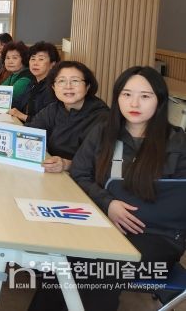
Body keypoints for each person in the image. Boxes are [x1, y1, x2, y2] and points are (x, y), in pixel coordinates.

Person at [29, 67, 186, 311]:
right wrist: (108, 203)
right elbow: (80, 174)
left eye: (145, 96)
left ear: (160, 100)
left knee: (98, 269)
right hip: (103, 226)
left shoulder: (177, 143)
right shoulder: (103, 133)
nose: (134, 103)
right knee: (62, 260)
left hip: (158, 239)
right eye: (126, 94)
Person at [27, 61, 108, 173]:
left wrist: (67, 164)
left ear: (87, 86)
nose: (68, 86)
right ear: (53, 87)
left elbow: (100, 162)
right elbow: (31, 132)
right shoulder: (53, 109)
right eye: (61, 81)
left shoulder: (102, 117)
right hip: (52, 173)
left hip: (81, 178)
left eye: (75, 81)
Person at [9, 41, 59, 123]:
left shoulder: (53, 88)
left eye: (41, 59)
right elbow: (18, 103)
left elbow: (48, 122)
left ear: (52, 64)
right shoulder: (32, 83)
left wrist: (22, 116)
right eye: (32, 59)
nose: (35, 63)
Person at [0, 41, 33, 112]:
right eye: (7, 58)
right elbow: (0, 90)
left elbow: (5, 98)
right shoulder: (14, 74)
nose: (10, 61)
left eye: (14, 58)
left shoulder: (26, 77)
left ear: (23, 59)